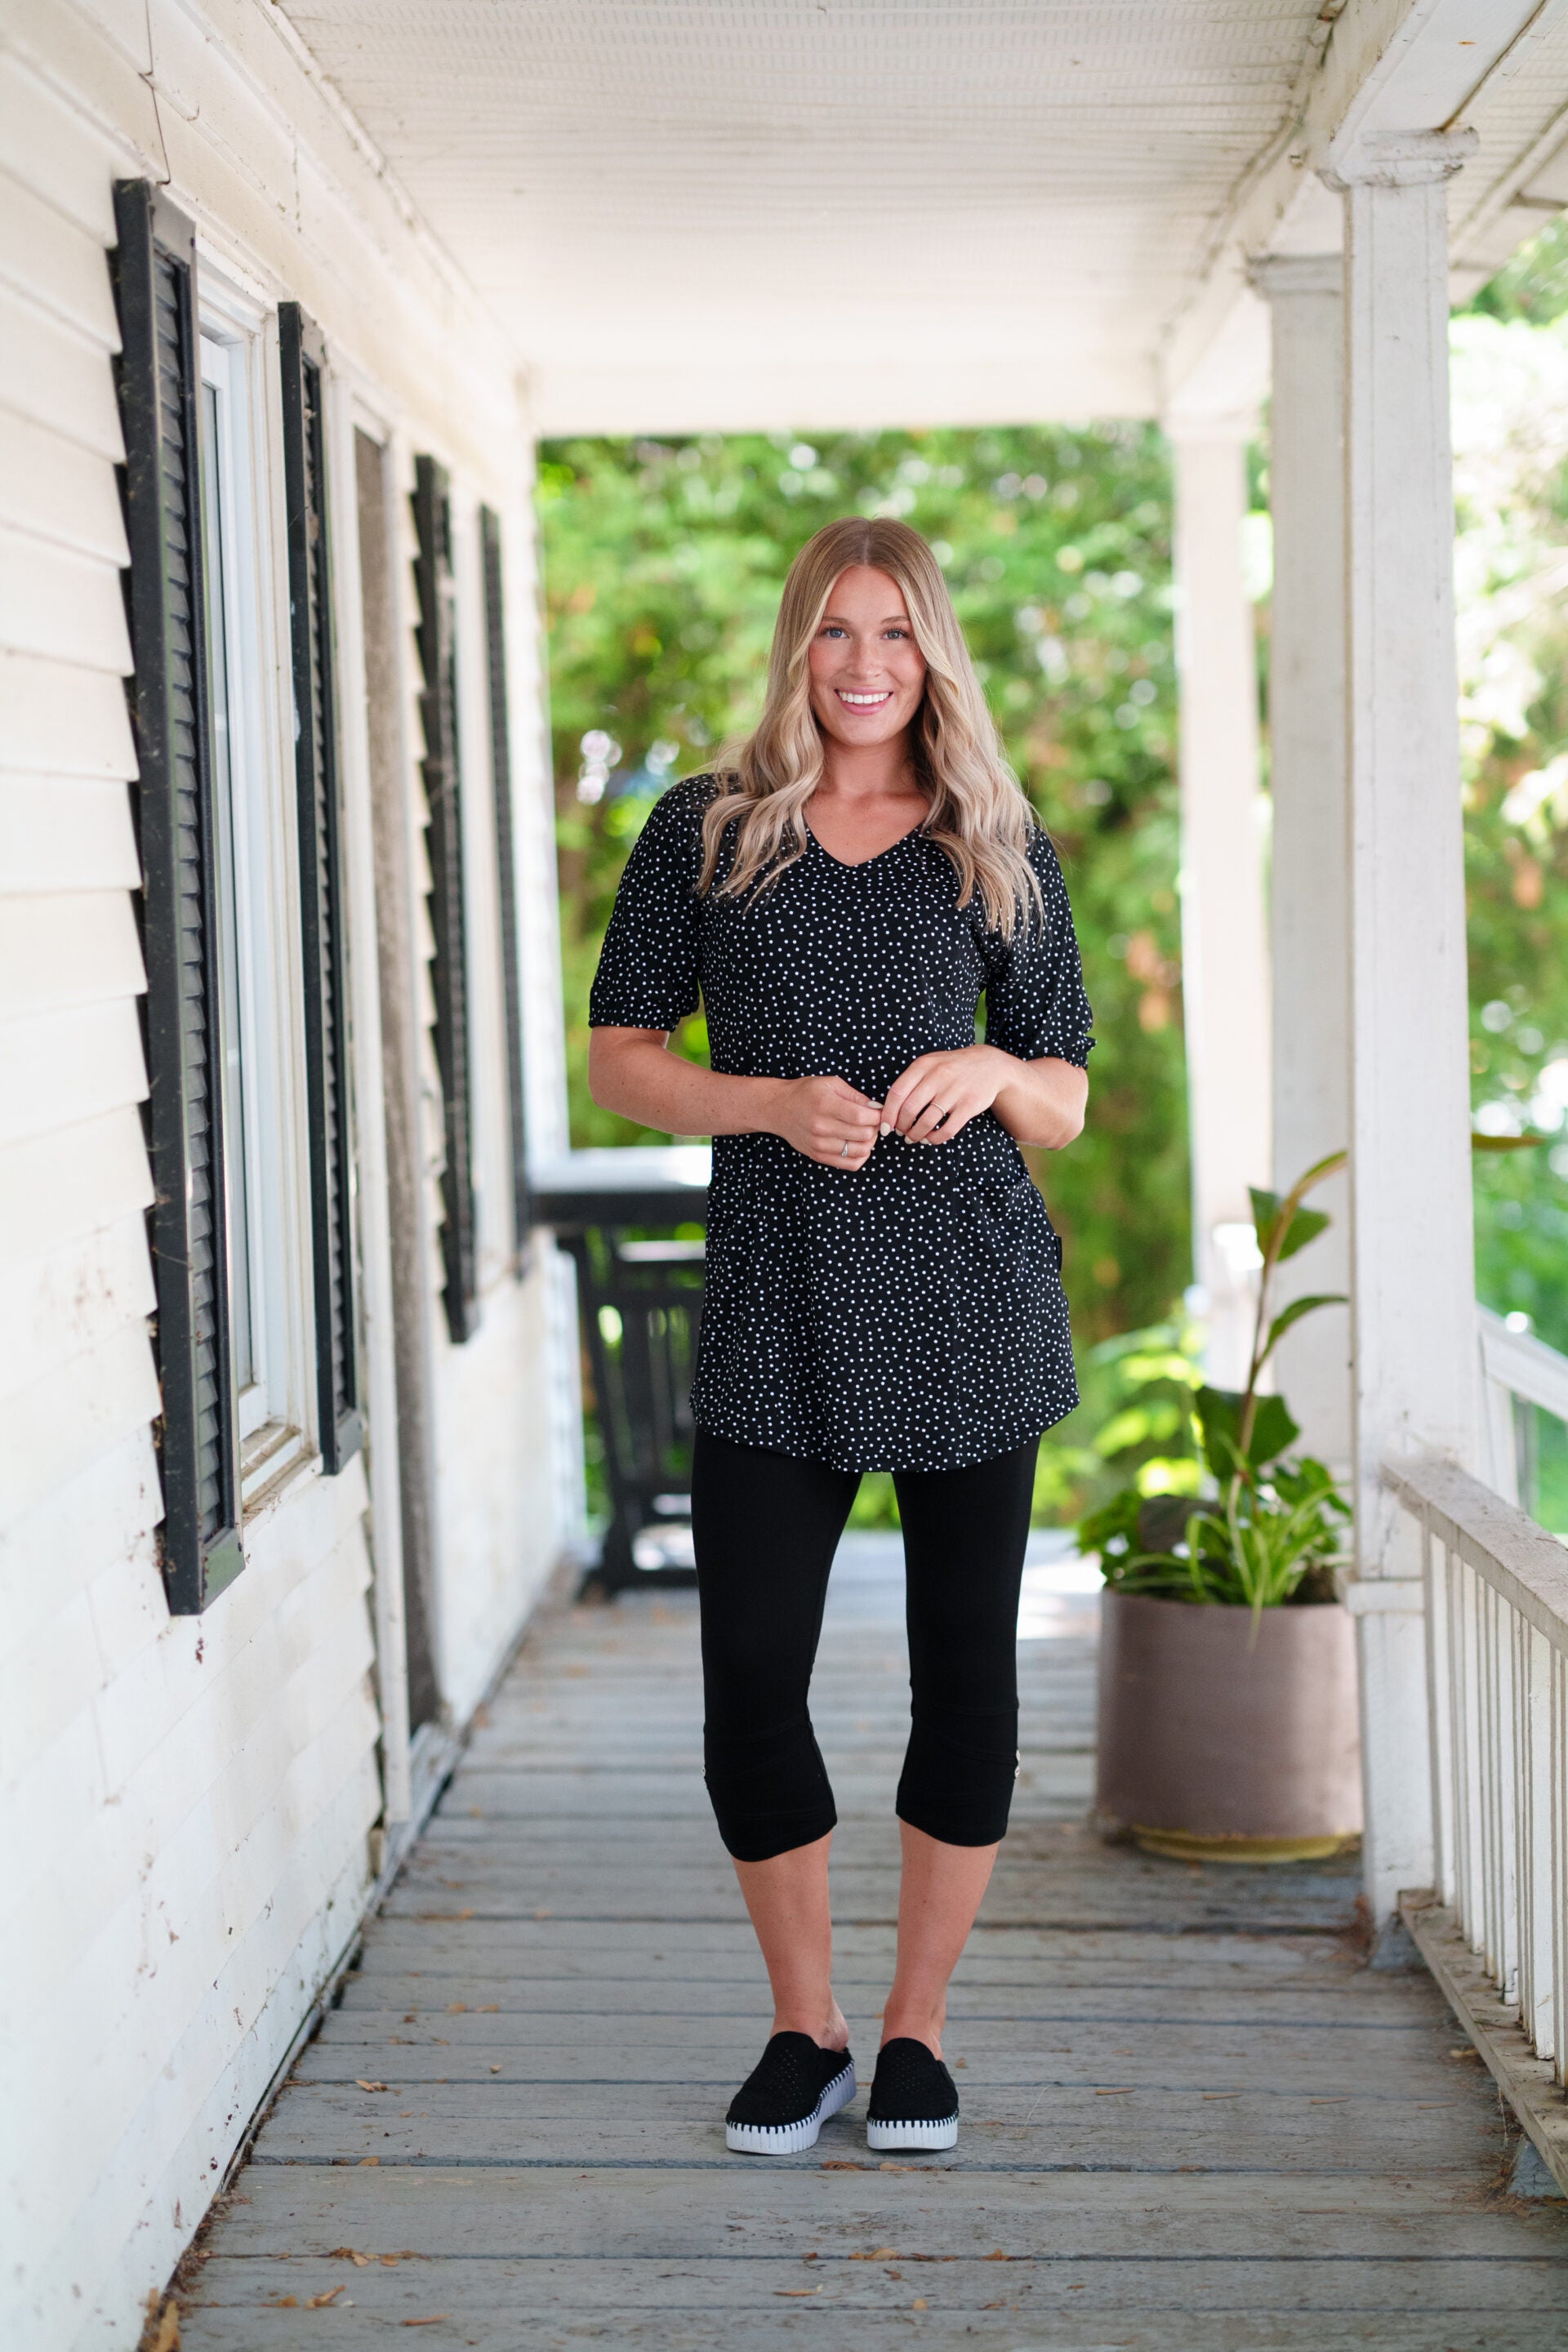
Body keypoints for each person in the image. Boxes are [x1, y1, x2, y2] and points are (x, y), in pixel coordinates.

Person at [587, 515, 1092, 2154]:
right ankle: (802, 2030)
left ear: (932, 650)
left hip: (968, 1295)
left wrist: (998, 1077)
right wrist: (764, 1105)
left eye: (896, 635)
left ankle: (916, 2036)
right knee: (752, 1681)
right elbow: (622, 1057)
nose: (867, 668)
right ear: (796, 646)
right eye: (835, 634)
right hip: (778, 1301)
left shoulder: (995, 843)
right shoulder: (709, 833)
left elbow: (1068, 1092)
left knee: (965, 1677)